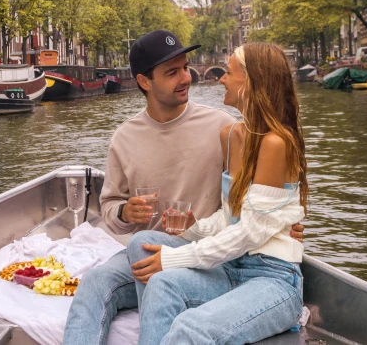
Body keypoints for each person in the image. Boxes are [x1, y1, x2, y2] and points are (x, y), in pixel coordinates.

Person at [63, 31, 304, 345]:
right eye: (172, 72)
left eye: (186, 67)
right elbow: (110, 209)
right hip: (195, 245)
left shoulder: (224, 125)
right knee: (104, 275)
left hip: (222, 254)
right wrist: (125, 210)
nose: (187, 78)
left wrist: (288, 222)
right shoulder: (125, 138)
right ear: (144, 81)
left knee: (168, 289)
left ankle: (167, 322)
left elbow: (268, 202)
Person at [127, 42, 308, 344]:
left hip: (272, 279)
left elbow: (250, 233)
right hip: (230, 267)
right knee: (150, 264)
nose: (221, 79)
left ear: (251, 82)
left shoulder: (276, 143)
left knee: (191, 327)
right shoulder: (233, 136)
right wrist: (195, 227)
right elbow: (231, 219)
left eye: (228, 73)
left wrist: (175, 259)